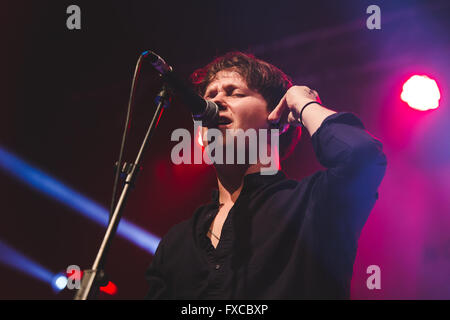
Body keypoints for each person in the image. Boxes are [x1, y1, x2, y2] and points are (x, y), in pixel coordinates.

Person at [145, 52, 387, 299]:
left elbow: (360, 156)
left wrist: (302, 103)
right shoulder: (176, 244)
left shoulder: (312, 205)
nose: (216, 102)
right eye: (210, 95)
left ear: (276, 117)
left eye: (234, 93)